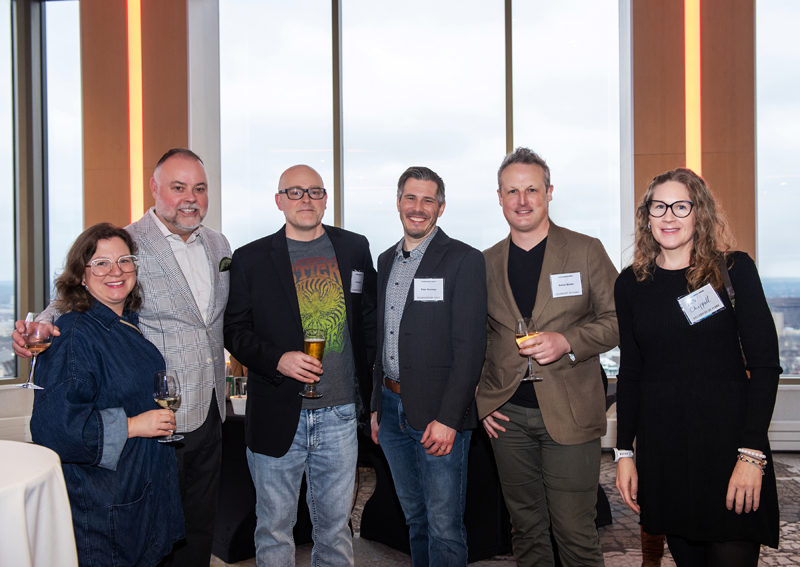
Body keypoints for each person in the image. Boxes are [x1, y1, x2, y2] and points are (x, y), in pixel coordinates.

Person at [14, 148, 231, 567]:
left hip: (209, 409)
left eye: (200, 188)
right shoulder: (128, 244)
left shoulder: (218, 243)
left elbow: (216, 321)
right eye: (179, 187)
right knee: (153, 527)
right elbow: (72, 300)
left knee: (199, 526)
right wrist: (36, 331)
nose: (191, 198)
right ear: (154, 189)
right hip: (154, 415)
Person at [614, 168, 781, 566]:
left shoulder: (733, 270)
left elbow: (765, 366)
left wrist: (751, 455)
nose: (669, 216)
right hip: (665, 456)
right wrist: (623, 453)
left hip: (730, 452)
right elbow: (631, 373)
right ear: (647, 216)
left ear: (699, 213)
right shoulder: (630, 284)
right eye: (659, 206)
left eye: (681, 206)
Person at [224, 164, 377, 566]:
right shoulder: (251, 258)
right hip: (277, 413)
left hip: (340, 415)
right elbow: (235, 331)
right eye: (294, 192)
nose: (305, 199)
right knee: (274, 530)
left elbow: (369, 319)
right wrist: (277, 359)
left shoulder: (354, 248)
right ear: (279, 201)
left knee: (335, 530)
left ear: (326, 199)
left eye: (314, 191)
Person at [475, 147, 618, 567]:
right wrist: (482, 400)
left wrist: (567, 342)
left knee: (574, 530)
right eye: (512, 191)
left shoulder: (586, 250)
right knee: (526, 529)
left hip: (570, 413)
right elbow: (477, 340)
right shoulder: (485, 263)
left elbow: (617, 321)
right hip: (507, 417)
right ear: (499, 198)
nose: (522, 200)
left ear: (549, 193)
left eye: (532, 190)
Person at [30, 223, 184, 566]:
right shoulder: (74, 335)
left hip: (135, 489)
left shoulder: (124, 323)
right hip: (103, 505)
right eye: (101, 263)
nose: (116, 271)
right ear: (81, 276)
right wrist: (133, 425)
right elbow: (55, 431)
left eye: (124, 261)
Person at [370, 166, 487, 567]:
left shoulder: (464, 260)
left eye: (428, 200)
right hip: (390, 410)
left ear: (441, 207)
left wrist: (450, 418)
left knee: (444, 528)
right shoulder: (386, 260)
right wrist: (376, 407)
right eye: (410, 198)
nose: (417, 208)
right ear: (398, 202)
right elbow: (381, 337)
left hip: (439, 414)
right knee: (415, 520)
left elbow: (470, 348)